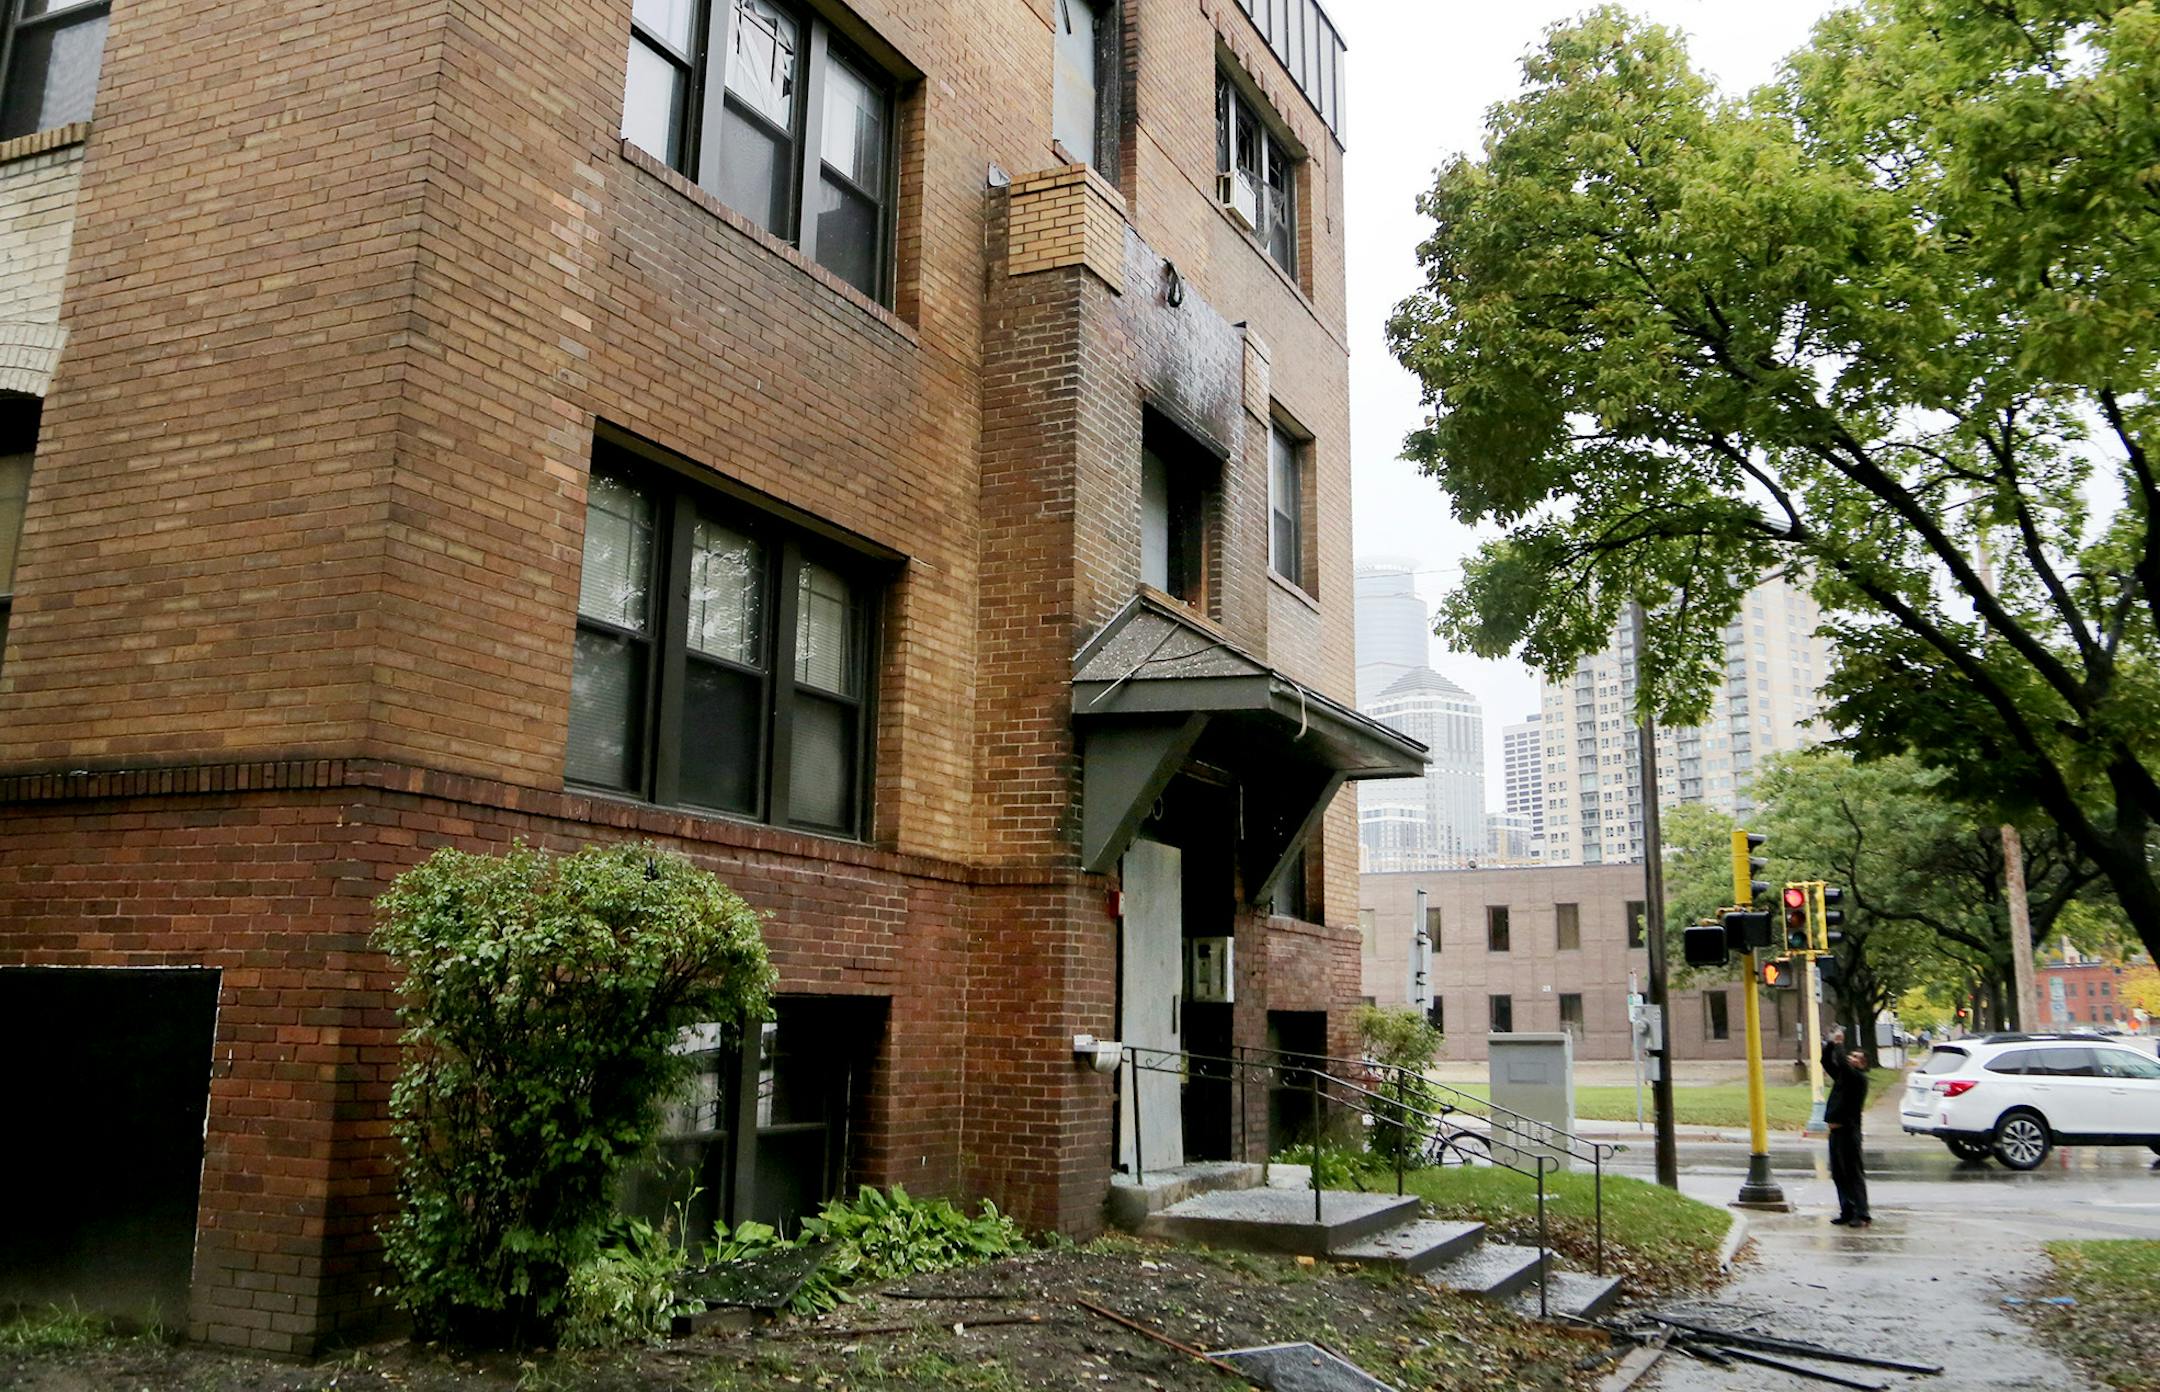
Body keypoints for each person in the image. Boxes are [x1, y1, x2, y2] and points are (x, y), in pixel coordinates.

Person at [1824, 1026, 1872, 1227]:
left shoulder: (1858, 1079)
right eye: (1851, 1055)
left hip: (1849, 1131)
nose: (1852, 1059)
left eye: (1857, 1058)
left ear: (1863, 1065)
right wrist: (1829, 1045)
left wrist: (1839, 1043)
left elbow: (1842, 1063)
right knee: (1839, 1173)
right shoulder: (1843, 1076)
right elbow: (1826, 1062)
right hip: (1835, 1132)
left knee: (1853, 1173)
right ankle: (1847, 1210)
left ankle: (1862, 1213)